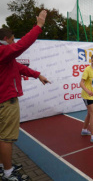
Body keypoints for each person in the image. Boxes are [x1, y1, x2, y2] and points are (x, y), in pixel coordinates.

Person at [0, 10, 50, 181]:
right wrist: (39, 26)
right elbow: (22, 45)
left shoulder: (5, 57)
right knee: (6, 138)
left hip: (5, 101)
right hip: (6, 103)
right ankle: (8, 173)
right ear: (5, 40)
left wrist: (38, 75)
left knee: (3, 137)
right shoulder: (2, 51)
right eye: (12, 39)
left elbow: (19, 68)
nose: (14, 42)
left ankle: (4, 166)